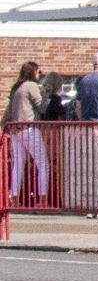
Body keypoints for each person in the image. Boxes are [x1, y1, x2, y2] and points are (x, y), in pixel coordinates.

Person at [6, 61, 48, 201]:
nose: (39, 74)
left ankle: (13, 196)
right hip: (29, 129)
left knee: (18, 164)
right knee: (43, 163)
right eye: (37, 71)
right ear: (32, 72)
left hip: (15, 130)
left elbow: (9, 109)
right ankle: (42, 197)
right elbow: (41, 107)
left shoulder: (16, 87)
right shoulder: (31, 85)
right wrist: (46, 93)